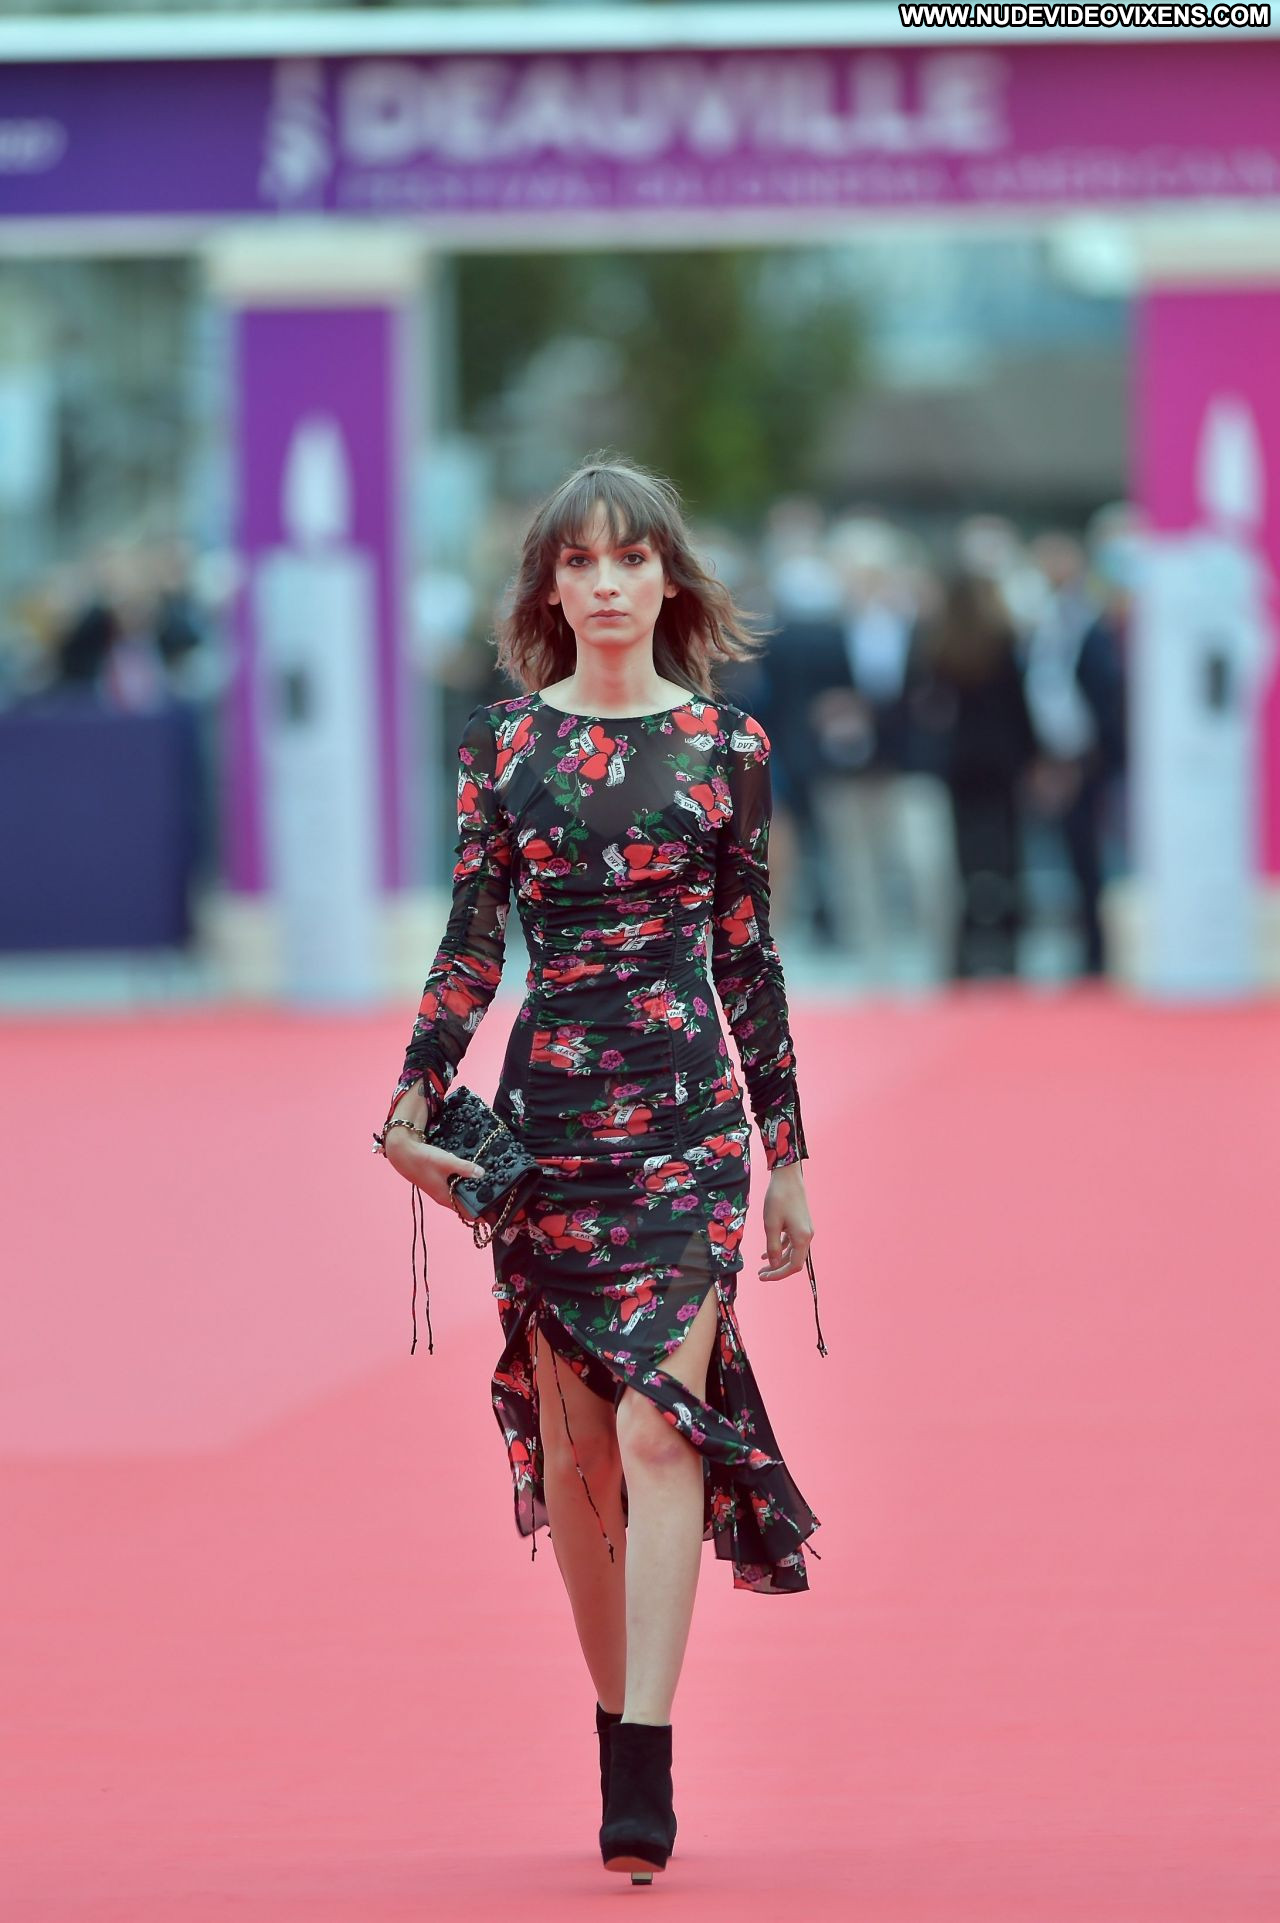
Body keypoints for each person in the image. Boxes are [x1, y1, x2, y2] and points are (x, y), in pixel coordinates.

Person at [372, 453, 825, 1883]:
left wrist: (788, 1158)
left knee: (658, 1429)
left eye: (633, 557)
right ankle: (612, 1713)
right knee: (577, 1448)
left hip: (688, 1124)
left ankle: (648, 1751)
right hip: (553, 1119)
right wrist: (413, 1090)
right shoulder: (502, 748)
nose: (610, 582)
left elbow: (749, 961)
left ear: (668, 580)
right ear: (550, 588)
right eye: (581, 561)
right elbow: (470, 939)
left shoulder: (728, 746)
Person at [917, 567, 1038, 979]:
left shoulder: (940, 642)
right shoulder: (1003, 640)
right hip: (1002, 761)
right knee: (1008, 854)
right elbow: (1020, 706)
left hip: (960, 761)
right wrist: (1033, 755)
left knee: (963, 859)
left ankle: (965, 951)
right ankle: (1009, 948)